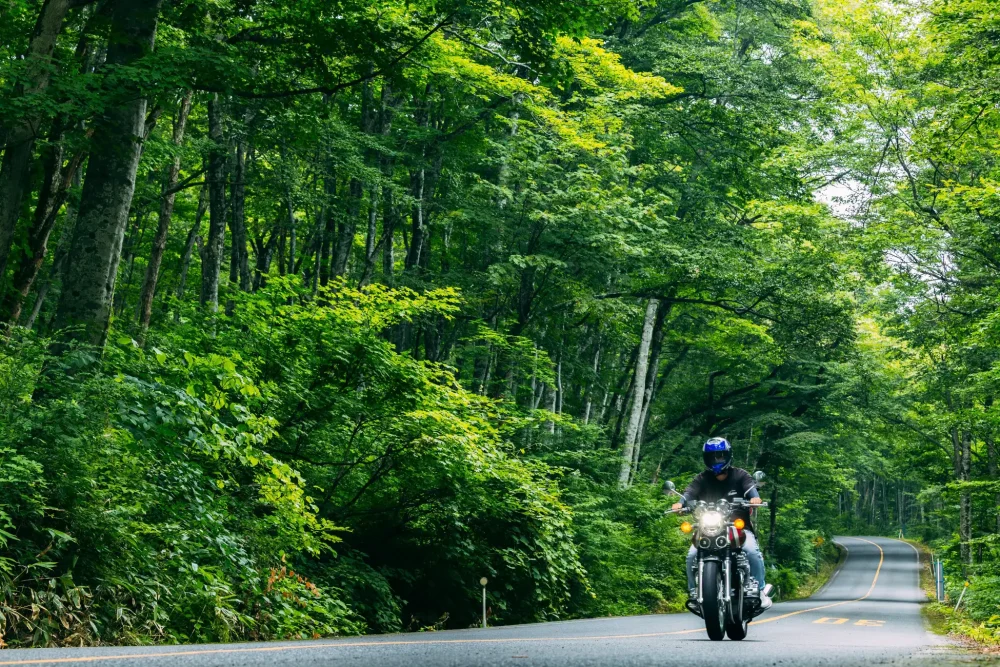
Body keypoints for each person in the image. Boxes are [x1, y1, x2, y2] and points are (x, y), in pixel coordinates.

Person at [670, 437, 772, 610]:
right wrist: (680, 503)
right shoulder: (702, 478)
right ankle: (694, 592)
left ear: (728, 456)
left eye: (720, 455)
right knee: (692, 556)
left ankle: (760, 590)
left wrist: (755, 498)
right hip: (707, 528)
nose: (717, 460)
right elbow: (689, 493)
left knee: (751, 552)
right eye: (712, 456)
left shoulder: (740, 475)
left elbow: (751, 489)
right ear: (706, 458)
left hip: (737, 527)